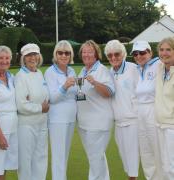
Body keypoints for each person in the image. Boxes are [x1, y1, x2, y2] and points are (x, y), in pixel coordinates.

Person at [77, 40, 114, 180]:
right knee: (96, 158)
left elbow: (109, 92)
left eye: (90, 51)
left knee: (95, 158)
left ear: (96, 54)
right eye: (84, 51)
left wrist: (94, 83)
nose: (86, 54)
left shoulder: (101, 70)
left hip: (98, 123)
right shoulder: (83, 70)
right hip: (84, 123)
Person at [104, 40, 139, 180]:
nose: (113, 58)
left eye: (116, 54)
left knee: (132, 157)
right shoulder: (109, 72)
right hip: (118, 122)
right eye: (110, 55)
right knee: (124, 156)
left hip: (133, 121)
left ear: (123, 54)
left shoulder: (133, 69)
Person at [15, 43, 49, 180]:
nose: (32, 58)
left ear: (39, 56)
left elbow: (45, 97)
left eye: (34, 54)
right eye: (28, 55)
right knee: (25, 162)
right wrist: (40, 107)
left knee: (40, 158)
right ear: (23, 58)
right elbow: (21, 105)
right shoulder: (20, 76)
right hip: (26, 126)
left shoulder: (40, 73)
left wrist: (37, 103)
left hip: (42, 123)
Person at [44, 40, 77, 180]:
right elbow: (51, 98)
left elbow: (76, 94)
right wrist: (64, 87)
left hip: (71, 118)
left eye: (67, 53)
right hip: (57, 119)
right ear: (55, 55)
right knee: (58, 156)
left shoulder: (72, 71)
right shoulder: (50, 72)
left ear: (71, 55)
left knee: (65, 154)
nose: (64, 55)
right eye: (60, 53)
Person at [131, 41, 162, 180]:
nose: (139, 56)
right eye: (136, 54)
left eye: (142, 52)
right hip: (140, 113)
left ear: (150, 52)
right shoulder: (139, 69)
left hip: (153, 111)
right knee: (146, 152)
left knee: (158, 150)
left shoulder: (159, 64)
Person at [0, 46, 18, 180]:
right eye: (0, 58)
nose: (4, 61)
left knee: (3, 167)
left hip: (12, 128)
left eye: (7, 58)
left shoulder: (11, 77)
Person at [155, 37, 174, 180]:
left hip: (172, 127)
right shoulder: (160, 67)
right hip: (160, 125)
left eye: (168, 49)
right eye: (161, 50)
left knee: (171, 168)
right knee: (164, 167)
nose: (164, 53)